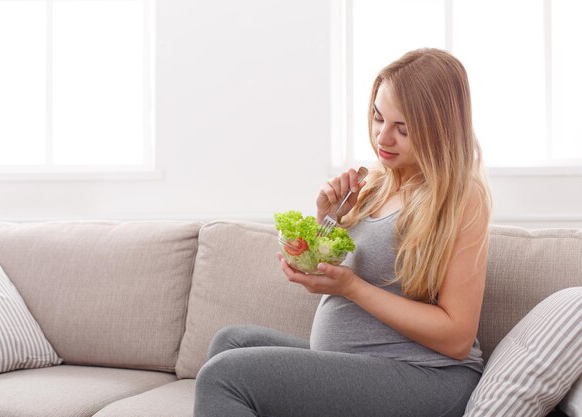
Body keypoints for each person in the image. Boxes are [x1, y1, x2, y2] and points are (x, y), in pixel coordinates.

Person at [193, 48, 491, 417]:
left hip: (430, 378)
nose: (383, 138)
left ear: (440, 129)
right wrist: (327, 220)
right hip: (362, 366)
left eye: (403, 129)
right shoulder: (377, 184)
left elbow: (458, 337)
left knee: (225, 376)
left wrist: (352, 287)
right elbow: (329, 272)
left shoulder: (461, 197)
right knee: (230, 342)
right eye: (378, 118)